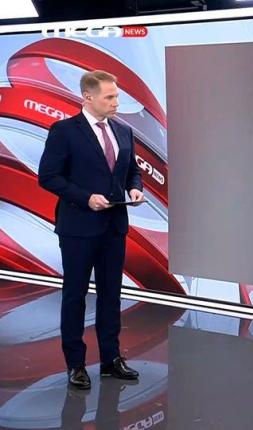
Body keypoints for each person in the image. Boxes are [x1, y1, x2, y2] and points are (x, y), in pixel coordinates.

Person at [38, 70, 145, 389]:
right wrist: (86, 198)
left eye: (117, 96)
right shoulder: (64, 131)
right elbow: (48, 177)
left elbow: (133, 172)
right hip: (78, 228)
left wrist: (135, 188)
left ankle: (111, 359)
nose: (116, 102)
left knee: (111, 296)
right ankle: (76, 364)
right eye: (109, 97)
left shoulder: (123, 131)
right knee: (75, 296)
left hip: (114, 228)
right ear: (88, 97)